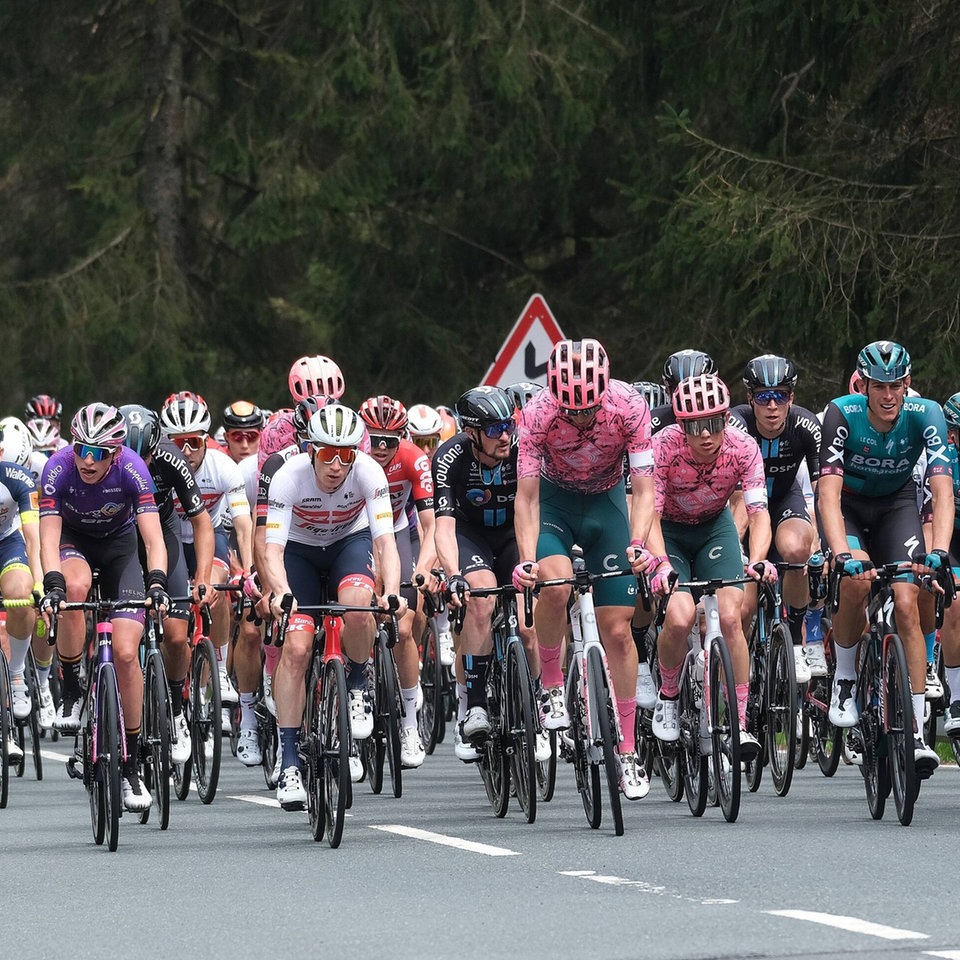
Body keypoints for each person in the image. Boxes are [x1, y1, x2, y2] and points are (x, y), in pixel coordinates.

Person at [513, 338, 667, 801]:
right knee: (555, 586)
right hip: (556, 507)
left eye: (587, 409)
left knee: (618, 631)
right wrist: (526, 559)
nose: (579, 417)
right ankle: (552, 683)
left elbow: (643, 488)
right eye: (571, 409)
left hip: (607, 505)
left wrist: (639, 543)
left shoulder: (628, 405)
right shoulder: (538, 413)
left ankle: (627, 747)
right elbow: (527, 497)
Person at [259, 403, 408, 809]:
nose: (337, 464)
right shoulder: (288, 477)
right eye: (328, 453)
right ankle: (289, 760)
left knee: (359, 606)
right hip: (300, 554)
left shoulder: (368, 472)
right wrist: (280, 591)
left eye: (346, 454)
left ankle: (357, 684)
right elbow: (271, 551)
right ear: (311, 451)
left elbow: (385, 543)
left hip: (348, 544)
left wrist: (391, 591)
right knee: (297, 647)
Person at [818, 340, 951, 777]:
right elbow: (828, 495)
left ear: (907, 384)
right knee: (855, 582)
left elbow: (942, 491)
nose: (889, 395)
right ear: (865, 386)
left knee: (910, 599)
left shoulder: (926, 414)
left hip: (896, 506)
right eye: (880, 386)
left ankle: (914, 730)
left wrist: (940, 552)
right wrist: (840, 553)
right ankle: (846, 678)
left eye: (896, 385)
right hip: (850, 509)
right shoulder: (842, 413)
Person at [38, 403, 168, 812]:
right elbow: (47, 540)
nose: (87, 460)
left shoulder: (133, 469)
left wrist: (158, 581)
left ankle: (131, 763)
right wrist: (52, 585)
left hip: (120, 550)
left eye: (98, 453)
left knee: (128, 652)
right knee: (73, 587)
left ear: (115, 453)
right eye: (81, 449)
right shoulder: (57, 470)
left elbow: (153, 540)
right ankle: (73, 686)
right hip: (73, 544)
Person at [641, 373, 775, 760]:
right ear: (681, 425)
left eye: (714, 423)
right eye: (696, 426)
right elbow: (649, 513)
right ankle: (668, 694)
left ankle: (740, 723)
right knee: (681, 617)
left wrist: (760, 558)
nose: (706, 435)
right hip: (670, 531)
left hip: (715, 528)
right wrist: (662, 564)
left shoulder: (743, 446)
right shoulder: (663, 447)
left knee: (732, 616)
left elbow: (759, 512)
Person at [434, 386, 544, 763]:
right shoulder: (449, 457)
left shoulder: (524, 450)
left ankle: (538, 703)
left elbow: (538, 508)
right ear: (471, 432)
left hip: (514, 534)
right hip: (471, 536)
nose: (505, 436)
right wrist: (452, 575)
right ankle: (476, 705)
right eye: (494, 429)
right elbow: (444, 528)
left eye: (508, 426)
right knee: (480, 598)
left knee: (530, 623)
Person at [120, 404, 216, 765]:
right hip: (121, 541)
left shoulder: (171, 457)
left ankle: (176, 707)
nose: (138, 464)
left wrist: (202, 577)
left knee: (176, 634)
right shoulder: (104, 462)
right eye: (129, 455)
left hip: (164, 535)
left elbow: (202, 522)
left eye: (144, 455)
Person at [159, 391, 254, 717]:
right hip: (169, 537)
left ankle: (221, 673)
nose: (186, 452)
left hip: (209, 536)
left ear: (206, 440)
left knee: (218, 591)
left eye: (194, 443)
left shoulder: (224, 466)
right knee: (169, 617)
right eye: (177, 442)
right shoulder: (159, 466)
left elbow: (243, 525)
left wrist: (250, 571)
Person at [728, 355, 822, 682]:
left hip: (783, 500)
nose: (772, 405)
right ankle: (742, 674)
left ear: (791, 398)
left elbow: (824, 490)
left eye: (780, 395)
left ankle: (795, 642)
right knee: (743, 609)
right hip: (742, 507)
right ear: (750, 398)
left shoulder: (806, 425)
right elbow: (735, 494)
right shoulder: (735, 424)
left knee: (797, 550)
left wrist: (822, 541)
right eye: (764, 397)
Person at [358, 394, 437, 769]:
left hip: (397, 530)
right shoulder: (352, 459)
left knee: (404, 626)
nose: (382, 449)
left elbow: (431, 524)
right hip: (355, 531)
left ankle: (408, 723)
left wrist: (421, 570)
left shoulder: (412, 458)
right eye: (375, 440)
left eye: (391, 440)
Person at [0, 421, 44, 744]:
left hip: (8, 543)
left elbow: (33, 537)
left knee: (21, 591)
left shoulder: (17, 477)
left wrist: (39, 585)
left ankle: (16, 673)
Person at [222, 400, 265, 465]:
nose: (244, 446)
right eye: (237, 437)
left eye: (252, 437)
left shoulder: (271, 465)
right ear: (226, 437)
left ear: (261, 436)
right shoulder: (215, 465)